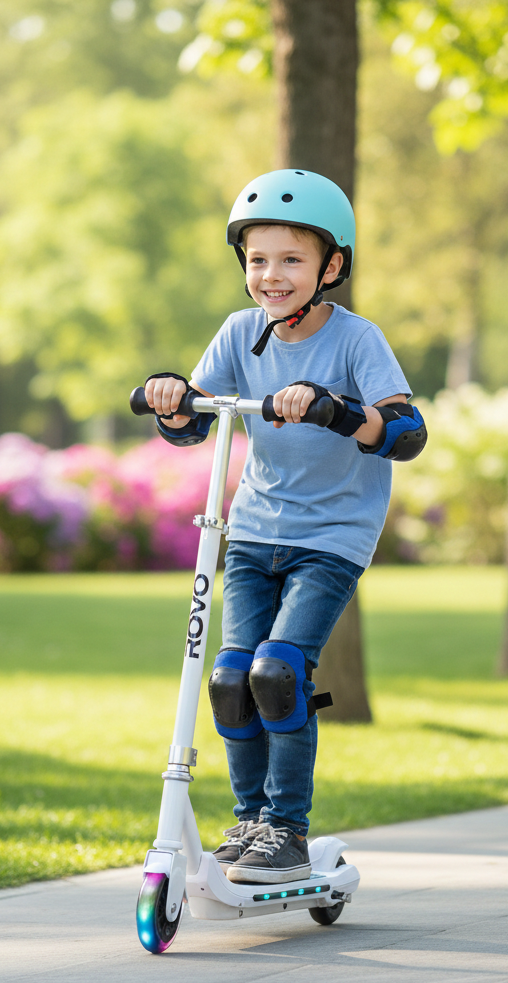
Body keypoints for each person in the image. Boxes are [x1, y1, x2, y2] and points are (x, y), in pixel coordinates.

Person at [143, 169, 427, 884]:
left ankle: (288, 830)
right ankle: (250, 823)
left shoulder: (358, 341)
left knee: (278, 671)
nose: (272, 275)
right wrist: (175, 399)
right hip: (253, 531)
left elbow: (408, 430)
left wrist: (336, 408)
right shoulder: (240, 333)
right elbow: (194, 424)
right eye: (258, 259)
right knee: (231, 679)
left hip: (332, 536)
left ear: (332, 266)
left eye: (292, 260)